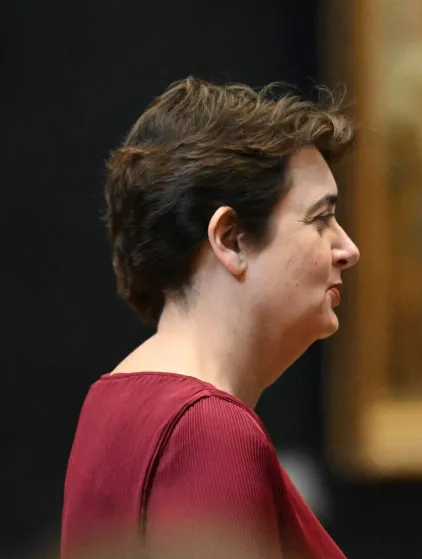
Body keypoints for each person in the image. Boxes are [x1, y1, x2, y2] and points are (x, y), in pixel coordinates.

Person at [61, 77, 359, 559]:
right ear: (231, 239)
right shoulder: (208, 430)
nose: (348, 249)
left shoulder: (111, 401)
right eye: (321, 219)